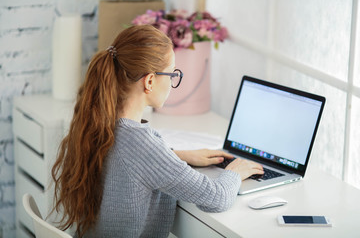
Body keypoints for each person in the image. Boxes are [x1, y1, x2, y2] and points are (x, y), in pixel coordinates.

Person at [51, 25, 264, 238]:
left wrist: (176, 156)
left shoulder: (100, 123)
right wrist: (235, 172)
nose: (173, 82)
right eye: (172, 74)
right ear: (150, 81)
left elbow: (130, 161)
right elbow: (216, 198)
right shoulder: (141, 144)